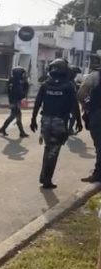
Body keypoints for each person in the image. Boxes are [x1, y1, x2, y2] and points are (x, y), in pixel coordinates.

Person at [30, 59, 82, 189]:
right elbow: (74, 105)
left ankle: (43, 175)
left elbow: (37, 103)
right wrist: (79, 121)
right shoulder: (69, 86)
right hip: (60, 122)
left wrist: (33, 119)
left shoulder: (46, 85)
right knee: (53, 151)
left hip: (46, 121)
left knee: (48, 149)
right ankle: (47, 179)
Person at [78, 59, 101, 183]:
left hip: (97, 114)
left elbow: (81, 93)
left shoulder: (96, 75)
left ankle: (98, 174)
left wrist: (85, 106)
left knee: (99, 146)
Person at [0, 66, 30, 138]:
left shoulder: (13, 80)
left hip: (15, 101)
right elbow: (17, 92)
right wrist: (13, 102)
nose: (23, 75)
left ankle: (20, 132)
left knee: (17, 115)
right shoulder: (16, 81)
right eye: (22, 73)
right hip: (15, 101)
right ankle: (3, 128)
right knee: (14, 115)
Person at [68, 65, 82, 135]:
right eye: (74, 73)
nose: (75, 75)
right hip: (66, 102)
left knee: (74, 116)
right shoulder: (67, 81)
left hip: (72, 102)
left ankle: (70, 128)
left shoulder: (72, 81)